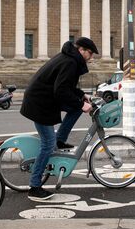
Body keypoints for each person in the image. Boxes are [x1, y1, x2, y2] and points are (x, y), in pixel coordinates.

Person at [20, 37, 98, 201]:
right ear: (81, 50)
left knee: (75, 109)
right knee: (48, 145)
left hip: (46, 99)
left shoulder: (69, 58)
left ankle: (60, 140)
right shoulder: (69, 62)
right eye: (90, 53)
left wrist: (81, 96)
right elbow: (61, 90)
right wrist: (81, 104)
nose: (90, 57)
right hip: (40, 103)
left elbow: (66, 86)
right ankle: (35, 187)